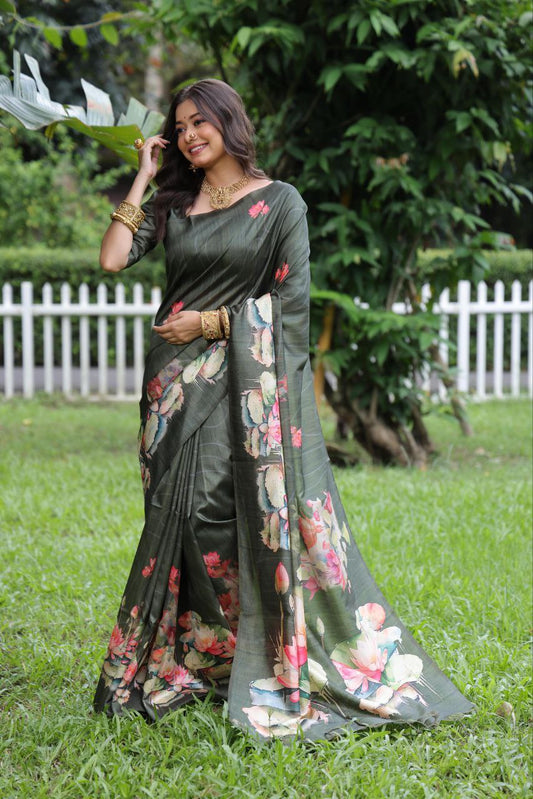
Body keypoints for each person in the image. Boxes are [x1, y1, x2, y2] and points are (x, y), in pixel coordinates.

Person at [93, 79, 473, 740]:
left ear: (228, 121)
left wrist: (209, 322)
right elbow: (112, 259)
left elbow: (291, 305)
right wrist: (144, 176)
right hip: (172, 387)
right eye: (179, 127)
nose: (188, 135)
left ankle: (252, 650)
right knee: (176, 516)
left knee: (218, 510)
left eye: (199, 122)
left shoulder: (280, 204)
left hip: (243, 381)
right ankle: (206, 655)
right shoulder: (174, 202)